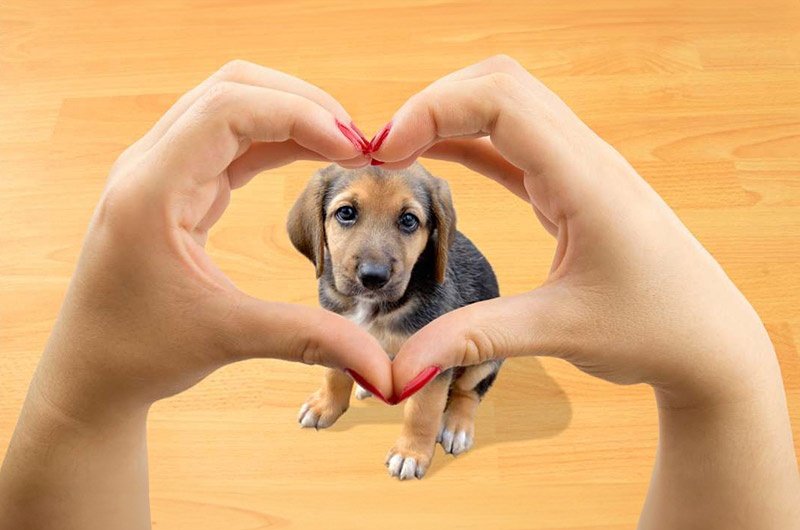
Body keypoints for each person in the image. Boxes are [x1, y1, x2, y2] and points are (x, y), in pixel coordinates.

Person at [0, 56, 797, 530]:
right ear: (315, 221)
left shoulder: (435, 289)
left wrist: (434, 418)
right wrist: (335, 386)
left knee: (460, 370)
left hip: (443, 357)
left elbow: (450, 354)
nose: (374, 260)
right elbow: (338, 291)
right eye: (347, 218)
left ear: (437, 236)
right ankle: (342, 398)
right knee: (338, 344)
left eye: (407, 226)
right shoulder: (331, 275)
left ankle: (453, 420)